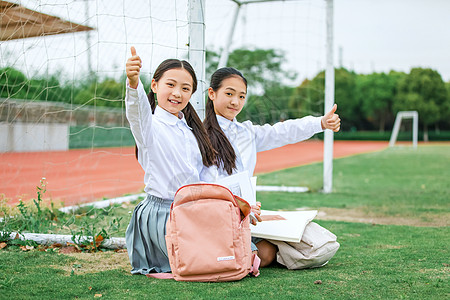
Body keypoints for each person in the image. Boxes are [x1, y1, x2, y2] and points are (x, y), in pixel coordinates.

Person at [203, 67, 341, 267]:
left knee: (310, 243)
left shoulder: (247, 131)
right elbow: (205, 184)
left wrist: (319, 123)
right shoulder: (199, 135)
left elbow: (282, 132)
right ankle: (223, 255)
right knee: (266, 254)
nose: (235, 102)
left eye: (242, 96)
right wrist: (240, 207)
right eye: (229, 93)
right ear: (212, 93)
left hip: (246, 215)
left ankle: (243, 249)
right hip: (217, 216)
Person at [124, 47, 217, 274]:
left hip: (192, 211)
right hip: (163, 216)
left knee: (244, 250)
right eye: (171, 85)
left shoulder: (191, 130)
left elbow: (201, 176)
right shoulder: (150, 127)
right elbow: (138, 113)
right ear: (154, 86)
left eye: (185, 88)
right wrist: (133, 83)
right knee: (210, 262)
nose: (177, 93)